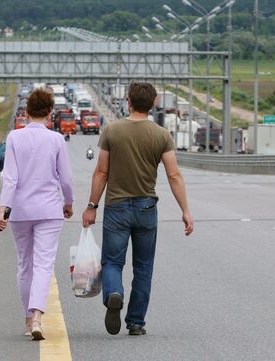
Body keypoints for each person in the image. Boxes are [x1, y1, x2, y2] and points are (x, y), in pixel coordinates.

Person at [82, 82, 194, 336]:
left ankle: (114, 293)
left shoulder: (112, 131)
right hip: (146, 207)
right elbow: (174, 175)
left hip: (116, 207)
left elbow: (101, 172)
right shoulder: (162, 135)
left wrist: (91, 206)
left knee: (112, 261)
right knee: (143, 267)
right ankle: (135, 322)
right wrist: (185, 210)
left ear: (128, 102)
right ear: (153, 104)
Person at [0, 89, 74, 341]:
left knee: (24, 265)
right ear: (50, 113)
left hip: (19, 210)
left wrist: (3, 209)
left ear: (26, 112)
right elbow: (66, 178)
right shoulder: (56, 140)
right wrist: (69, 202)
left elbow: (10, 176)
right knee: (43, 264)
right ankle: (39, 316)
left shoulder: (14, 137)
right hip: (49, 210)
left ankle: (29, 320)